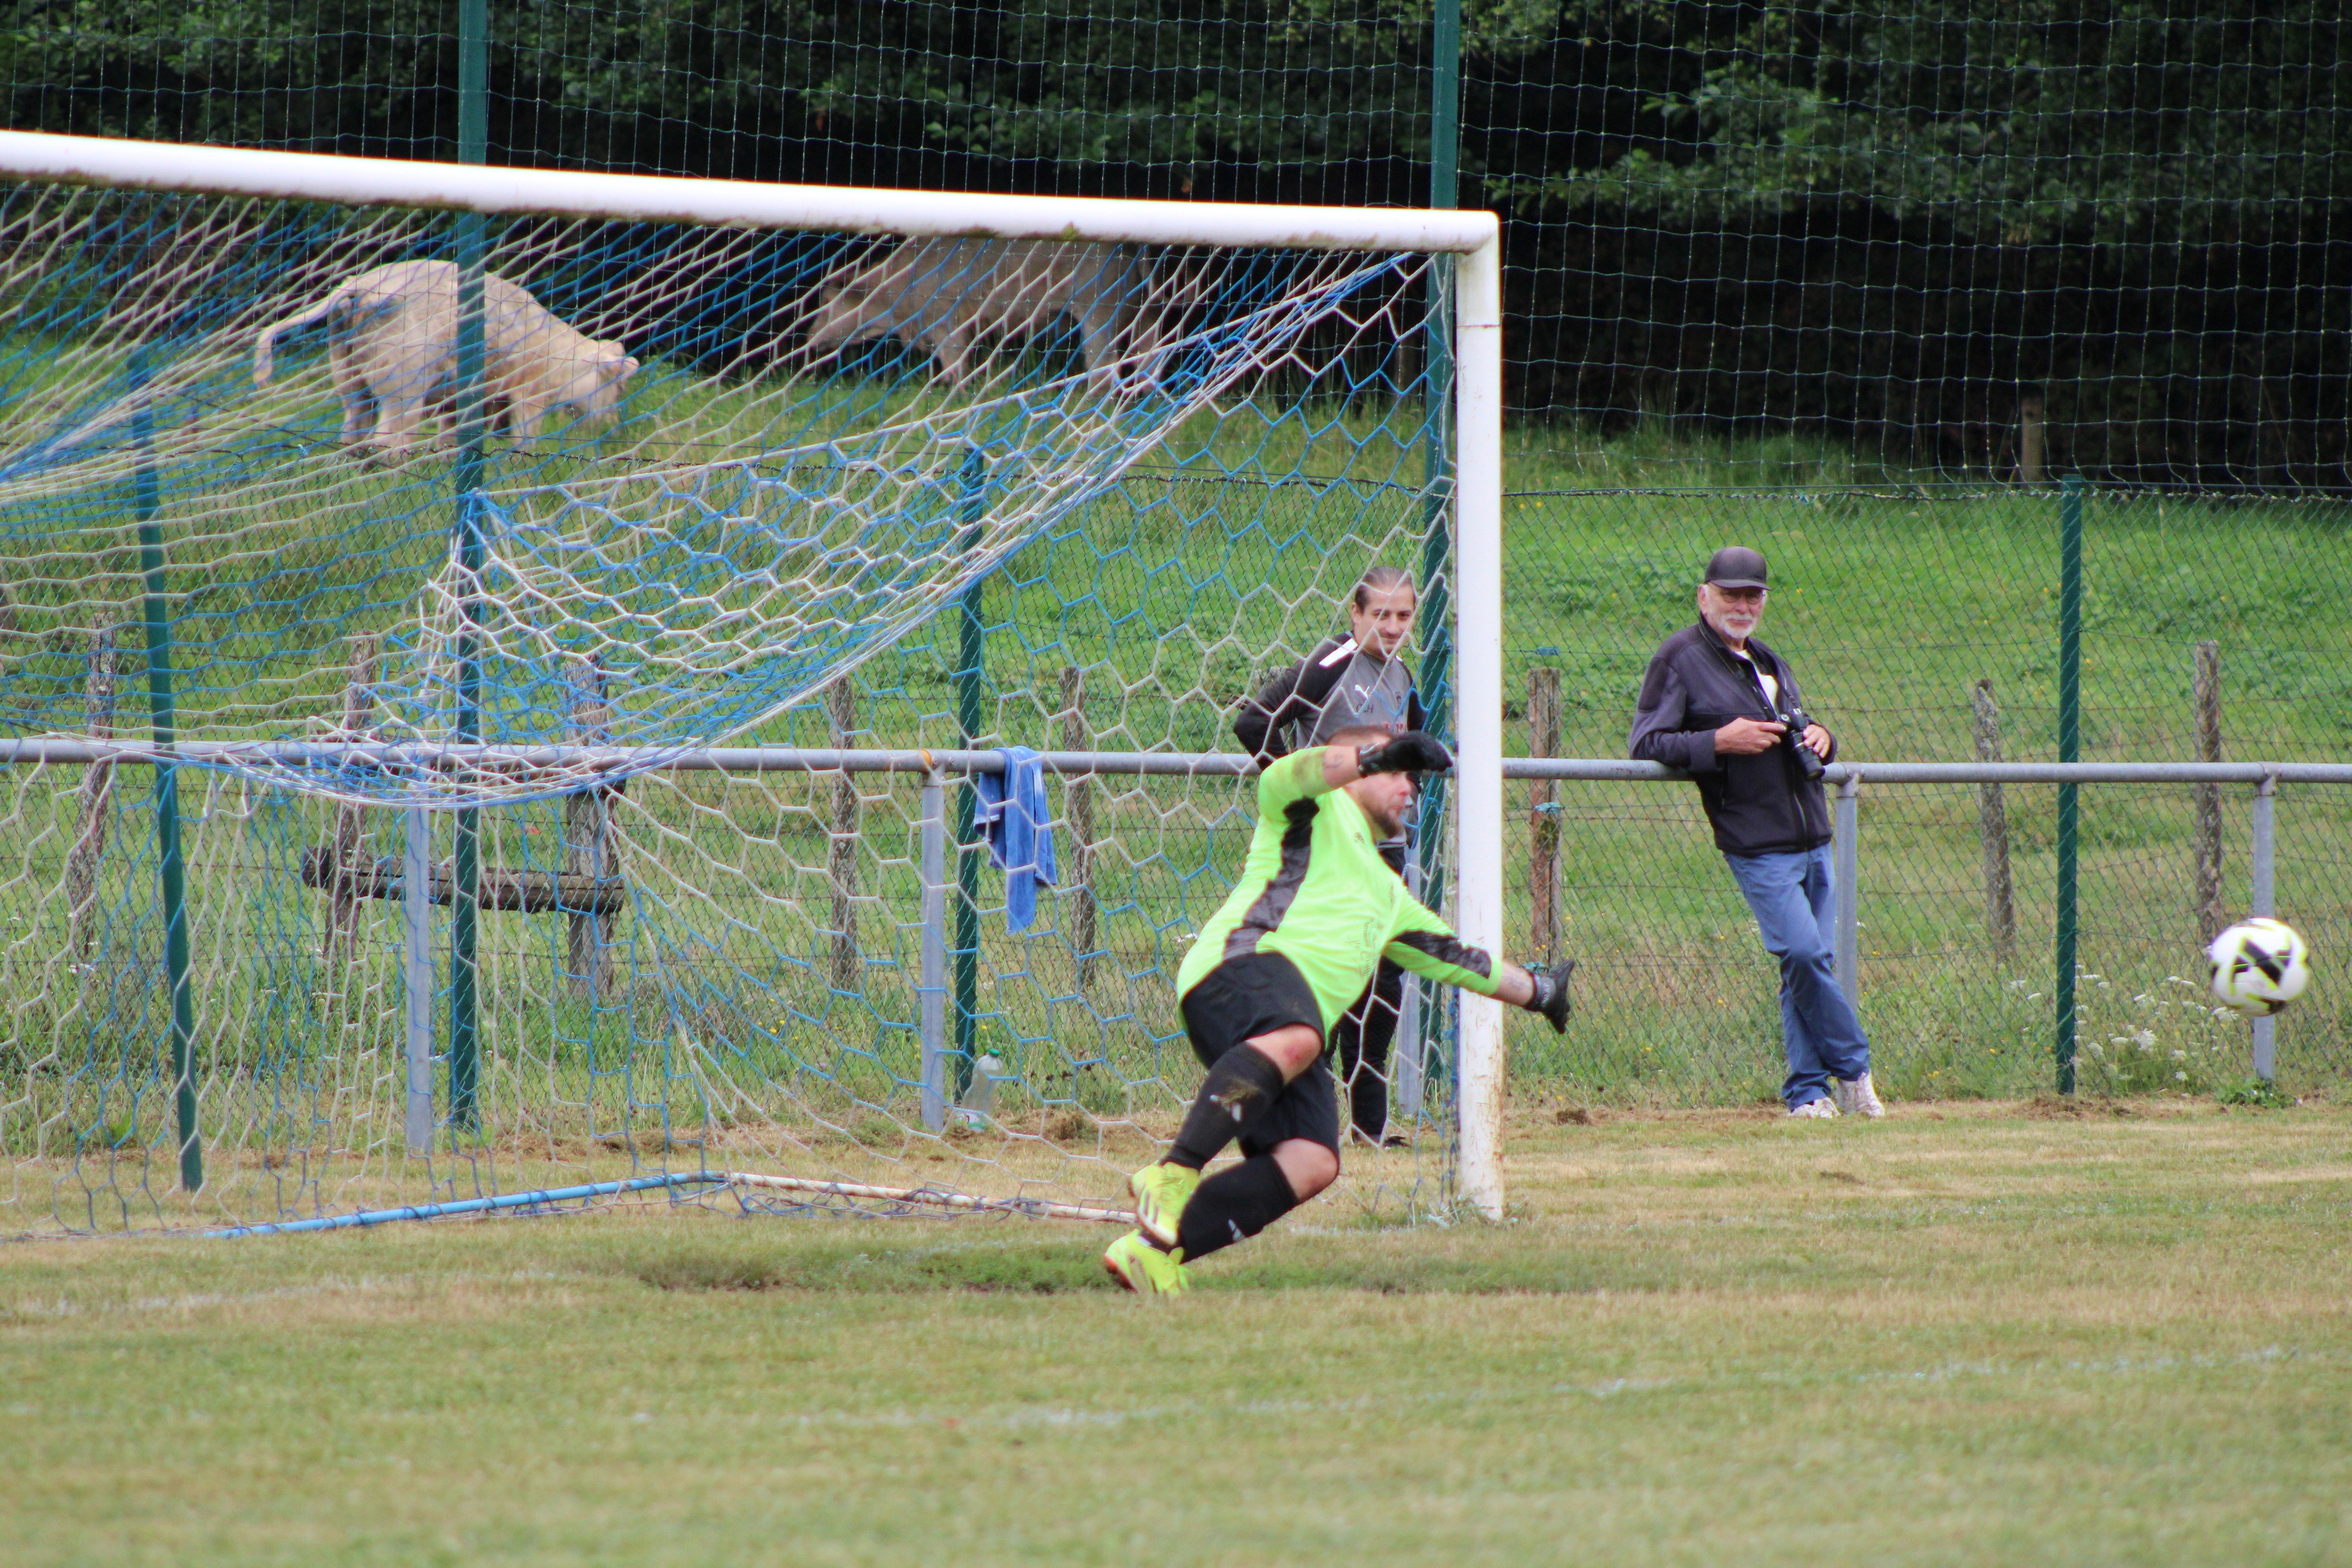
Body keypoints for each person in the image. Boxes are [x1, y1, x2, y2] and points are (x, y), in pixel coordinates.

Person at [1102, 727, 1576, 1296]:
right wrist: (1374, 756)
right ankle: (1173, 1173)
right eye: (1401, 774)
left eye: (1414, 778)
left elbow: (1458, 959)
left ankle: (1153, 1252)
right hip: (1241, 968)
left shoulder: (1390, 891)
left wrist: (1540, 991)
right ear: (1362, 769)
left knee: (1313, 1160)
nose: (1410, 789)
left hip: (1286, 1031)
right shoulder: (1315, 809)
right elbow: (1284, 775)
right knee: (1300, 1034)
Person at [1628, 546, 1883, 1120]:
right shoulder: (1679, 658)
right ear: (1704, 595)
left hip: (1815, 835)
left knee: (1809, 963)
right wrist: (1719, 741)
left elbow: (1796, 726)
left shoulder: (1766, 659)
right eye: (1730, 594)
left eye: (1753, 595)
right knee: (1801, 951)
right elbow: (1647, 742)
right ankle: (1854, 1067)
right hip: (1756, 842)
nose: (1742, 605)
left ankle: (1808, 1094)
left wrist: (1822, 736)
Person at [1232, 565, 1423, 1146]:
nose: (1392, 627)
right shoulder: (1333, 660)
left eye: (1404, 615)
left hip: (1385, 852)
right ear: (1356, 614)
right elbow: (1254, 723)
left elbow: (1408, 744)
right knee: (1327, 987)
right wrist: (1301, 792)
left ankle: (1369, 1126)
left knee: (1383, 987)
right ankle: (1290, 1119)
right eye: (1381, 615)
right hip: (1333, 854)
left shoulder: (1402, 673)